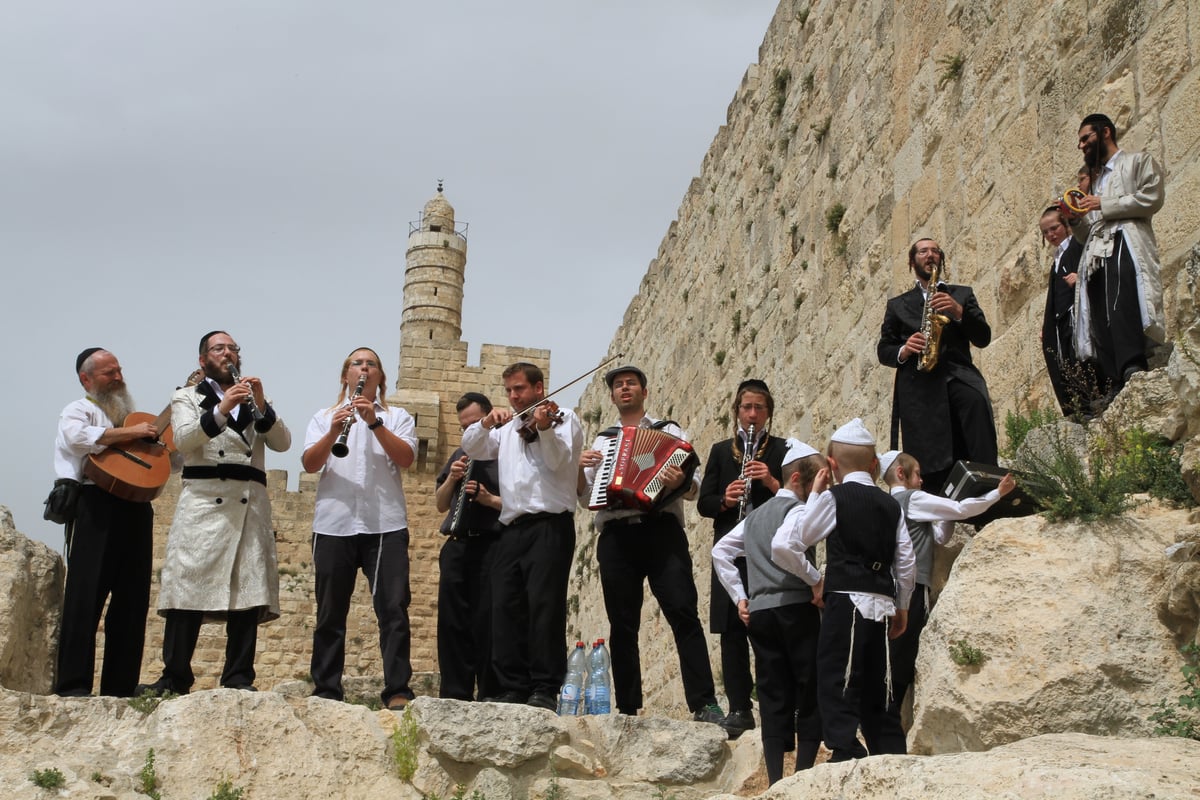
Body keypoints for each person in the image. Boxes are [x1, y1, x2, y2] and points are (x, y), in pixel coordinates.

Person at [141, 331, 291, 694]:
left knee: (247, 589)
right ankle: (175, 677)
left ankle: (239, 678)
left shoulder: (257, 400)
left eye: (233, 349)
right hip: (204, 503)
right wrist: (223, 409)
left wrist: (261, 406)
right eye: (219, 349)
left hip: (248, 503)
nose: (228, 354)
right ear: (203, 359)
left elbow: (282, 443)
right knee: (186, 588)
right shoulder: (187, 397)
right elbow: (187, 438)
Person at [578, 365, 723, 724]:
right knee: (621, 623)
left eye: (631, 384)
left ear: (644, 391)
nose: (624, 389)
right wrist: (577, 469)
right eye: (618, 386)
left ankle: (704, 703)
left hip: (661, 531)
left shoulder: (668, 431)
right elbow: (586, 499)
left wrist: (681, 481)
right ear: (612, 396)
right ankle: (627, 707)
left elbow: (696, 486)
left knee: (683, 612)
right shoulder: (602, 441)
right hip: (616, 535)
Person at [783, 419, 915, 761]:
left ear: (831, 464)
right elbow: (906, 562)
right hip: (883, 602)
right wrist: (902, 606)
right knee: (878, 683)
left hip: (845, 601)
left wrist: (815, 494)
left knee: (835, 678)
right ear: (874, 465)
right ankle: (890, 753)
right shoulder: (891, 505)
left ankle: (847, 749)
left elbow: (795, 540)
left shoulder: (833, 499)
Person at [460, 362, 582, 710]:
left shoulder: (564, 419)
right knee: (506, 605)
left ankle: (544, 686)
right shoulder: (508, 428)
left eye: (520, 390)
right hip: (511, 526)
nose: (514, 397)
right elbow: (473, 447)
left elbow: (560, 462)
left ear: (539, 389)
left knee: (544, 605)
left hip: (550, 524)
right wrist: (484, 423)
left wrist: (544, 429)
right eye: (510, 391)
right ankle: (512, 684)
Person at [301, 347, 417, 710]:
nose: (364, 368)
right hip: (334, 523)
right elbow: (309, 463)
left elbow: (407, 458)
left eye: (371, 365)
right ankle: (326, 689)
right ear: (345, 376)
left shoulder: (397, 417)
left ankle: (397, 689)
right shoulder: (323, 417)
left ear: (380, 378)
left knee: (393, 610)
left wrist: (374, 423)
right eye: (357, 364)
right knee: (329, 612)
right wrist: (335, 429)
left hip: (385, 523)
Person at [876, 449, 1014, 742]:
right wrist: (996, 494)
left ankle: (890, 724)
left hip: (890, 589)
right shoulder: (913, 499)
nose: (922, 480)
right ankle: (890, 728)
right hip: (911, 590)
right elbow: (963, 510)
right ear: (901, 473)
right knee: (903, 660)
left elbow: (939, 537)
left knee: (897, 658)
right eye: (917, 473)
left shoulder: (887, 503)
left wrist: (946, 511)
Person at [712, 439, 826, 784]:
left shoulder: (756, 516)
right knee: (809, 687)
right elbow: (786, 549)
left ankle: (776, 777)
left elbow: (721, 552)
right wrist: (815, 580)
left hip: (760, 613)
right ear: (798, 481)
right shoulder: (801, 511)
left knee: (772, 692)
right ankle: (803, 772)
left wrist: (740, 597)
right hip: (794, 606)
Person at [52, 348, 156, 697]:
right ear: (87, 379)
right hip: (97, 503)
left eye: (119, 370)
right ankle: (73, 684)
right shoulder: (79, 409)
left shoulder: (131, 419)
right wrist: (130, 435)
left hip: (136, 506)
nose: (118, 377)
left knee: (132, 598)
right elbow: (77, 439)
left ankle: (120, 686)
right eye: (109, 372)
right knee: (86, 593)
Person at [697, 379, 787, 737]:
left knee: (771, 627)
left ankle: (780, 706)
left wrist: (770, 481)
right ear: (737, 410)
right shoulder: (721, 451)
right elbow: (704, 503)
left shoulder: (781, 450)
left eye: (759, 408)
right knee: (731, 631)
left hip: (768, 550)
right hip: (730, 554)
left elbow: (795, 497)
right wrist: (725, 500)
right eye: (746, 407)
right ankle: (739, 708)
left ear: (768, 414)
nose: (752, 414)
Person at [877, 238, 997, 495]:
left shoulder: (961, 294)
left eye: (935, 251)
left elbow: (983, 337)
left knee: (975, 417)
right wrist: (905, 349)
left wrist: (959, 311)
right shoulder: (897, 306)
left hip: (958, 376)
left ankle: (987, 488)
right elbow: (883, 350)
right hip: (919, 391)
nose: (930, 255)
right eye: (923, 251)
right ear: (912, 262)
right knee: (928, 455)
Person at [1069, 113, 1167, 404]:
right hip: (1097, 250)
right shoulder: (1094, 183)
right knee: (1099, 310)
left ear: (1105, 133)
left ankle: (1132, 363)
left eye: (1086, 138)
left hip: (1126, 238)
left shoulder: (1136, 162)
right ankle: (1113, 376)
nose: (1082, 145)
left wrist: (1103, 203)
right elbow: (1087, 233)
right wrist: (1075, 219)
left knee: (1122, 299)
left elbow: (1152, 198)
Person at [434, 392, 503, 701]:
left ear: (488, 418)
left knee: (488, 620)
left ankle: (490, 691)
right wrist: (452, 478)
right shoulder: (460, 453)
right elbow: (439, 504)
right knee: (451, 623)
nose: (468, 431)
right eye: (464, 426)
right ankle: (454, 692)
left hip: (491, 543)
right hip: (457, 544)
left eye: (475, 423)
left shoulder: (505, 452)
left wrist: (488, 498)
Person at [1041, 189, 1090, 417]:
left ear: (1066, 225)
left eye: (1054, 228)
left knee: (1080, 358)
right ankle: (1077, 408)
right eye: (1046, 232)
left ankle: (1090, 402)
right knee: (1065, 363)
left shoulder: (1077, 245)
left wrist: (1080, 278)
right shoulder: (1057, 259)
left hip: (1075, 316)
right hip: (1061, 322)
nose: (1051, 235)